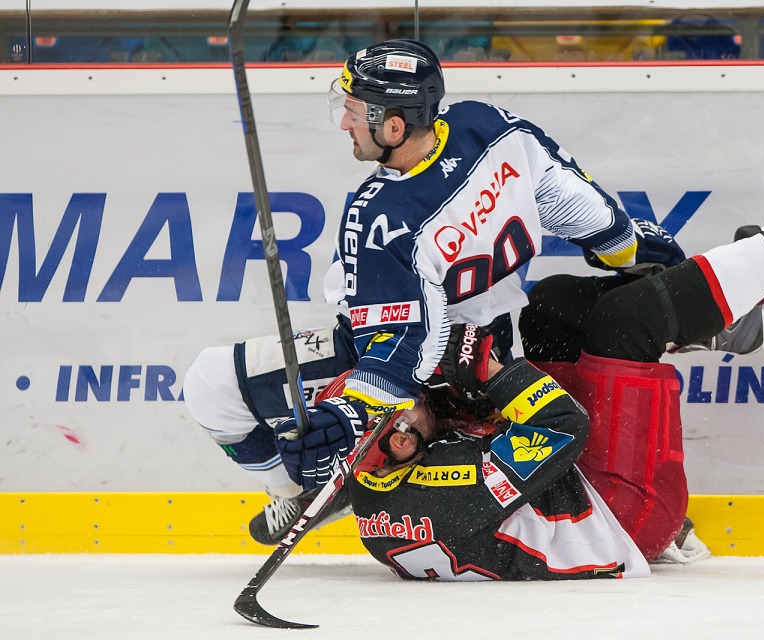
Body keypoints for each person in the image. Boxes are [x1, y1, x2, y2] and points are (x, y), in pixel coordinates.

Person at [183, 37, 686, 544]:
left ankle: (298, 489)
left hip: (421, 366)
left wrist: (347, 416)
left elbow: (399, 350)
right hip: (486, 362)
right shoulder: (489, 126)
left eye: (353, 111)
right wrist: (659, 264)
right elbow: (591, 216)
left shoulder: (382, 213)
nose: (344, 123)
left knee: (209, 383)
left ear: (393, 126)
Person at [315, 152, 764, 580]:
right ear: (401, 442)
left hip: (567, 485)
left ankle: (729, 319)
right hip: (625, 512)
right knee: (624, 324)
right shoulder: (441, 485)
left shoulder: (386, 468)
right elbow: (563, 426)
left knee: (550, 308)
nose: (406, 388)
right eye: (396, 401)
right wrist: (483, 370)